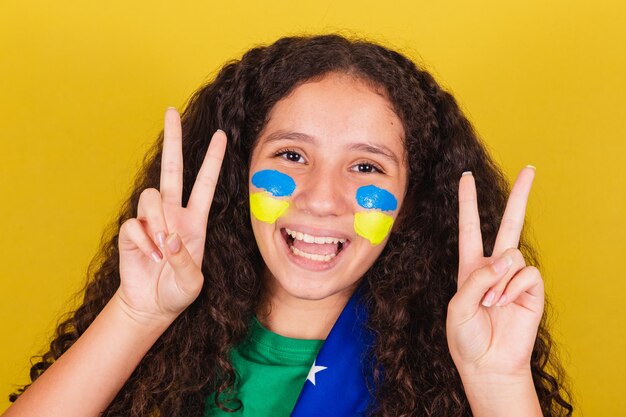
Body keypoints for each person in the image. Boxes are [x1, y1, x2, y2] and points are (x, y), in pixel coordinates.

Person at [4, 34, 573, 417]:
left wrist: (497, 381)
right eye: (292, 156)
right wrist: (137, 313)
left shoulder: (445, 365)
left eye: (366, 166)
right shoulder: (169, 343)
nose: (322, 200)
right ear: (237, 172)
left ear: (412, 200)